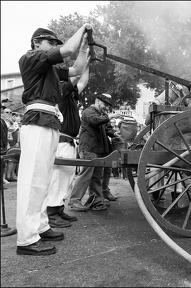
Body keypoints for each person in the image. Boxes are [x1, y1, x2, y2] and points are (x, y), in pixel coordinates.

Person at [16, 25, 91, 256]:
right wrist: (83, 28)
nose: (55, 46)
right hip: (37, 121)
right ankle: (26, 239)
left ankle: (39, 226)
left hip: (48, 122)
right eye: (51, 42)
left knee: (43, 180)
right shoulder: (30, 58)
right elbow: (68, 49)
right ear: (37, 42)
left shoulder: (47, 69)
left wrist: (86, 50)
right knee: (32, 180)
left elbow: (77, 68)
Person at [45, 56, 91, 228]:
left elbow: (83, 80)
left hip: (70, 140)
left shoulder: (70, 95)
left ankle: (58, 209)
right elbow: (77, 76)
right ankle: (51, 212)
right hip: (62, 140)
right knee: (58, 177)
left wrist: (88, 63)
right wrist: (84, 58)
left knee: (67, 177)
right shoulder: (61, 90)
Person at [68, 93, 121, 212]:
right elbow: (95, 121)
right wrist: (110, 117)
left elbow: (107, 129)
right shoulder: (88, 112)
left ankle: (96, 201)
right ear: (97, 101)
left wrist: (115, 134)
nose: (106, 107)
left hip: (97, 149)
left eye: (108, 105)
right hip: (89, 149)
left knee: (97, 176)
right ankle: (75, 200)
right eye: (105, 104)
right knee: (86, 174)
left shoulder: (101, 114)